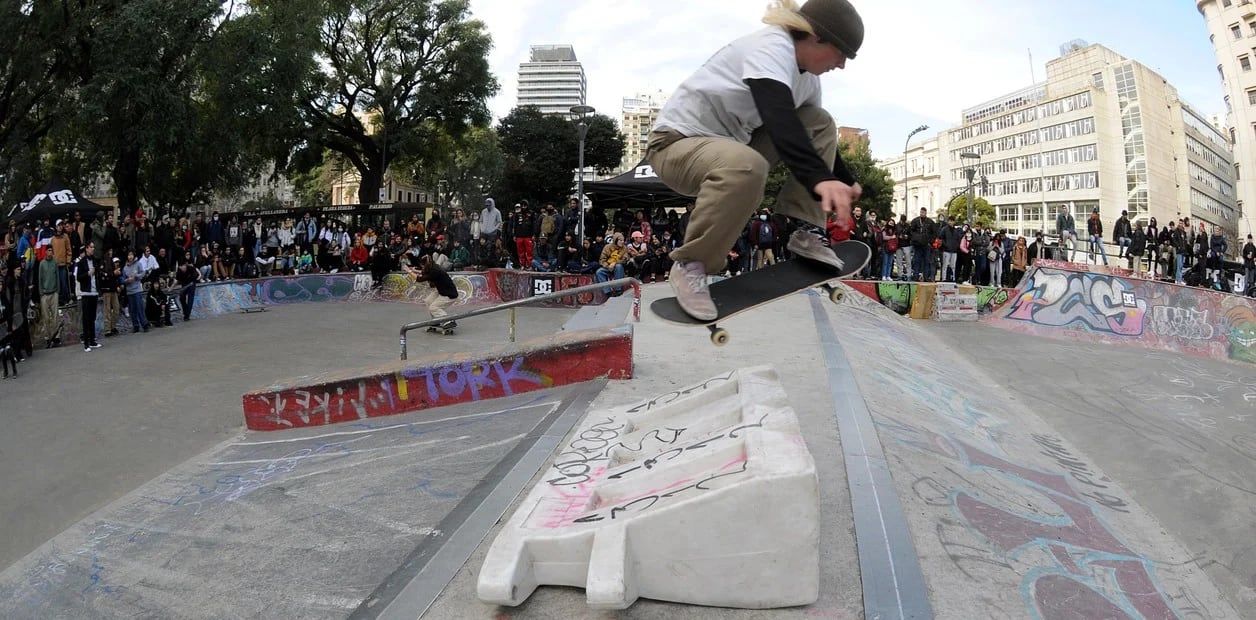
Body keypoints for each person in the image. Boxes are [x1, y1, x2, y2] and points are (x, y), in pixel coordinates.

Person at [644, 0, 864, 319]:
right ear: (816, 36)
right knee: (748, 164)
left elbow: (809, 137)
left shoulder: (808, 82)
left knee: (820, 121)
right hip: (675, 146)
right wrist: (820, 179)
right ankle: (691, 265)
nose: (842, 65)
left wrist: (844, 179)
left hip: (727, 150)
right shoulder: (771, 47)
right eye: (842, 53)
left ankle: (806, 231)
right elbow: (778, 117)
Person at [410, 255, 458, 326]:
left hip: (449, 294)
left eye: (423, 266)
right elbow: (425, 273)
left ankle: (449, 321)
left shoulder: (435, 271)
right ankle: (436, 320)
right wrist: (415, 270)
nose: (422, 268)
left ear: (426, 265)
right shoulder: (432, 267)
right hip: (441, 290)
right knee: (428, 301)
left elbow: (419, 279)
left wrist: (409, 271)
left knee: (434, 307)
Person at [74, 242, 101, 351]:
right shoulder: (81, 262)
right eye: (91, 247)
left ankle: (92, 340)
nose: (93, 249)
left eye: (94, 247)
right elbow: (79, 277)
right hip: (86, 293)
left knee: (93, 318)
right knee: (86, 318)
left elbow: (97, 273)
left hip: (94, 292)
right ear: (86, 249)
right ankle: (86, 343)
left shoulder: (94, 260)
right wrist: (88, 274)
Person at [122, 250, 150, 333]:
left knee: (140, 308)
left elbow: (143, 273)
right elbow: (123, 279)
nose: (130, 257)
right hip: (129, 290)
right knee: (132, 309)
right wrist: (127, 280)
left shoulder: (138, 264)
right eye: (128, 255)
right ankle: (135, 325)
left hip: (137, 289)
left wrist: (136, 276)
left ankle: (144, 324)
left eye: (131, 255)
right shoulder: (125, 267)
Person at [37, 250, 59, 344]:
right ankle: (47, 337)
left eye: (51, 251)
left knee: (55, 316)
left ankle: (56, 336)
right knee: (46, 317)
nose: (50, 252)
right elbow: (40, 278)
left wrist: (58, 291)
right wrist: (41, 292)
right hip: (45, 294)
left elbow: (57, 276)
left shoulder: (54, 262)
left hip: (54, 292)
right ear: (45, 252)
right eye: (49, 250)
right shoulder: (42, 264)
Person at [908, 207, 932, 281]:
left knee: (926, 261)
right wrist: (916, 237)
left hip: (926, 245)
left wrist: (930, 240)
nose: (922, 214)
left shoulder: (930, 222)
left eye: (923, 212)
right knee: (917, 261)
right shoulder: (915, 221)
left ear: (926, 213)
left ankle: (926, 277)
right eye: (921, 212)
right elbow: (910, 231)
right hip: (917, 245)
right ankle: (915, 276)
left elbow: (934, 232)